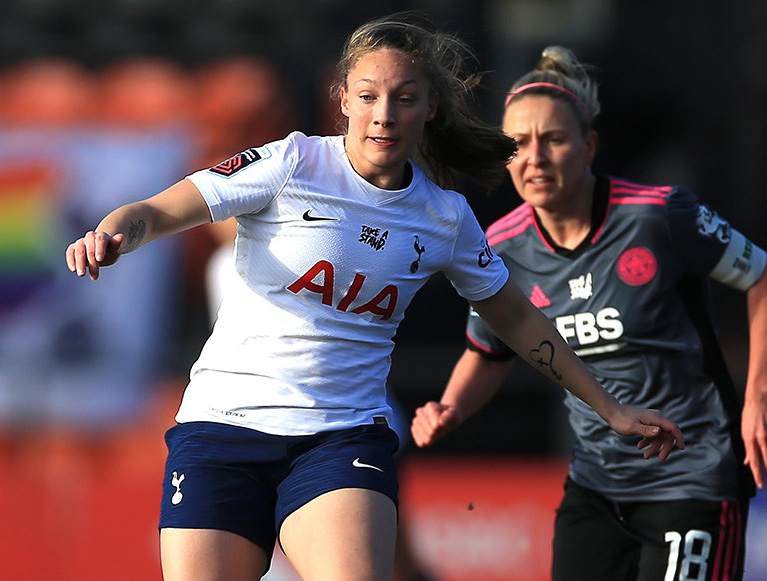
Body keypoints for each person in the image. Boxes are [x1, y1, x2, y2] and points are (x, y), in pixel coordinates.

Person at [65, 14, 685, 581]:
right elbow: (157, 210)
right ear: (342, 100)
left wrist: (610, 408)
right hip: (222, 427)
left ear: (431, 107)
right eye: (367, 97)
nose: (383, 114)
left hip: (340, 438)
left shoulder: (445, 217)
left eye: (404, 98)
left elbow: (519, 320)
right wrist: (112, 235)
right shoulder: (289, 163)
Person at [410, 45, 766, 580]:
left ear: (589, 146)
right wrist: (450, 408)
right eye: (518, 143)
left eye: (553, 139)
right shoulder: (501, 247)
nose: (535, 157)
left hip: (692, 478)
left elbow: (761, 273)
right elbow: (488, 351)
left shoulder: (660, 215)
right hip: (596, 488)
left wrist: (757, 397)